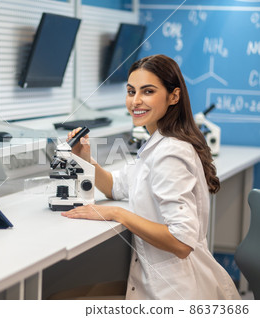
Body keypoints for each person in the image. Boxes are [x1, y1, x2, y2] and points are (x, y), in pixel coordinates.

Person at [63, 54, 240, 300]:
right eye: (130, 91)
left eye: (147, 92)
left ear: (173, 96)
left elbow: (181, 242)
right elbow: (116, 187)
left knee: (58, 301)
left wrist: (118, 214)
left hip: (175, 293)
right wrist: (85, 159)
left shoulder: (170, 152)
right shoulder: (159, 143)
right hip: (159, 282)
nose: (135, 101)